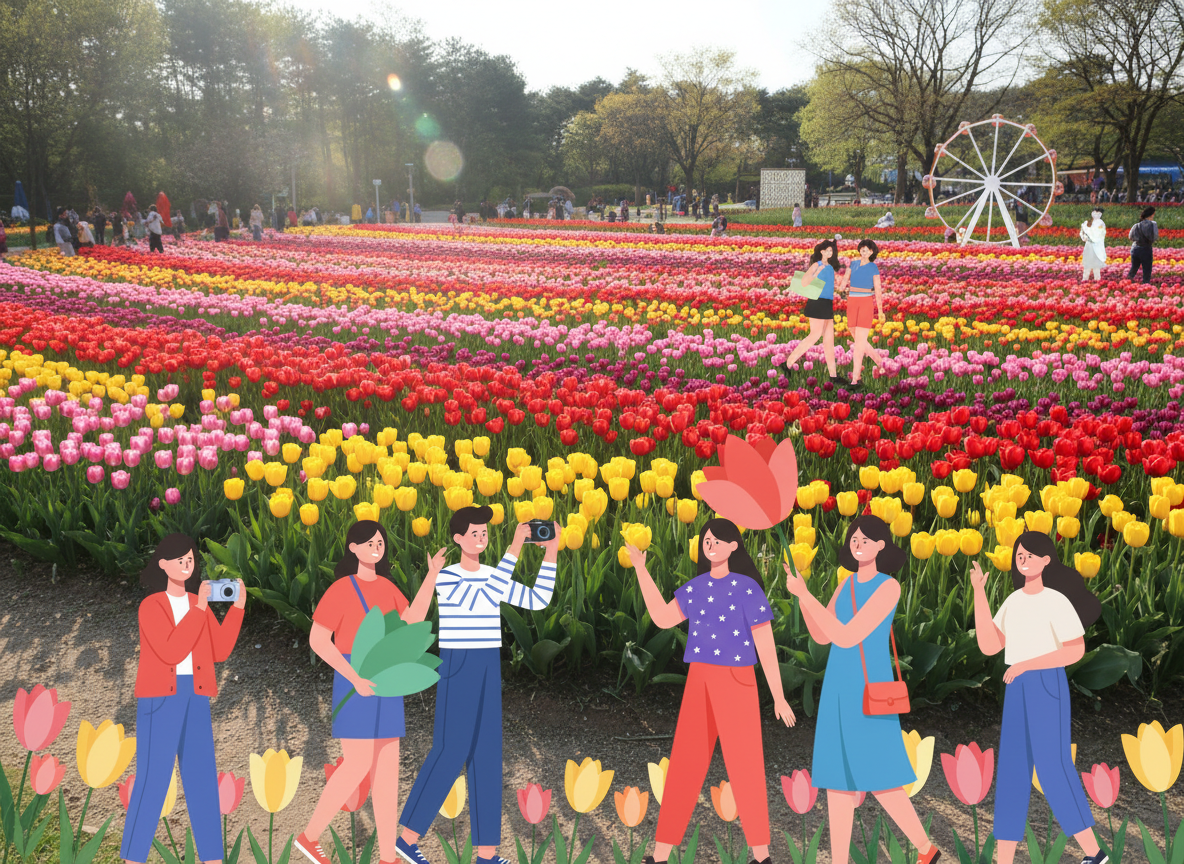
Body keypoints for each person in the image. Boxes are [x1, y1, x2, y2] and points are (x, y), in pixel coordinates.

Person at [395, 507, 559, 864]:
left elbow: (537, 600)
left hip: (488, 662)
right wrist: (514, 548)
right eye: (474, 533)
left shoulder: (491, 573)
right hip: (460, 662)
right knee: (450, 749)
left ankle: (486, 854)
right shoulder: (448, 577)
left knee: (486, 754)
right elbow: (485, 597)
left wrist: (551, 554)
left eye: (484, 532)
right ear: (458, 539)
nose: (481, 538)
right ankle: (406, 839)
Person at [626, 520, 794, 864]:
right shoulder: (696, 587)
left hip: (738, 681)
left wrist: (778, 695)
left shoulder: (748, 589)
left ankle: (761, 857)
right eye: (707, 540)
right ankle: (659, 857)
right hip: (699, 681)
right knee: (684, 767)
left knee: (746, 766)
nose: (710, 545)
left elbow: (765, 643)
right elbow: (660, 617)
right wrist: (641, 569)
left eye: (718, 540)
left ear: (735, 546)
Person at [783, 517, 941, 864]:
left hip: (869, 692)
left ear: (881, 546)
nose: (858, 543)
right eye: (855, 538)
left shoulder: (889, 588)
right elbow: (822, 636)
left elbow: (848, 636)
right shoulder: (846, 585)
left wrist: (807, 595)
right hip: (838, 689)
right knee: (838, 781)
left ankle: (925, 848)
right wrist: (802, 598)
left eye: (866, 539)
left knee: (881, 778)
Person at [295, 522, 445, 864]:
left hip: (386, 680)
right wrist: (353, 677)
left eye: (380, 541)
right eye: (369, 542)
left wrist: (431, 576)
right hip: (354, 678)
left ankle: (387, 858)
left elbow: (410, 624)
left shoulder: (387, 587)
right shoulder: (341, 590)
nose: (377, 547)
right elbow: (318, 640)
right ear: (353, 548)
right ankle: (309, 836)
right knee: (359, 762)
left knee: (387, 773)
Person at [969, 533, 1106, 864]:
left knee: (1053, 767)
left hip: (1046, 684)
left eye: (1030, 554)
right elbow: (989, 645)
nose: (1023, 558)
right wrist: (979, 594)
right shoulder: (1014, 601)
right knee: (1013, 770)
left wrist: (1027, 664)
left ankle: (1094, 854)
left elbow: (1075, 649)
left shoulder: (1055, 601)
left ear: (1046, 560)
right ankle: (1004, 860)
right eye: (1020, 554)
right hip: (1017, 688)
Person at [120, 534, 245, 864]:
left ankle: (213, 859)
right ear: (163, 565)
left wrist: (237, 609)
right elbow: (172, 651)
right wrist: (201, 609)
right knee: (153, 780)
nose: (187, 566)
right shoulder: (151, 606)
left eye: (190, 560)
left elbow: (219, 651)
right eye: (180, 561)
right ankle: (132, 858)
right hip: (161, 698)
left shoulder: (195, 604)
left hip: (196, 696)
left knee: (202, 779)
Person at [779, 237, 849, 387]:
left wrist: (843, 290)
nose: (830, 252)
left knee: (829, 340)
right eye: (828, 250)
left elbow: (831, 285)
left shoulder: (830, 267)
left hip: (827, 304)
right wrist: (816, 274)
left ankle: (833, 376)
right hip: (817, 302)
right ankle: (788, 363)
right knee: (814, 336)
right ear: (822, 251)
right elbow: (804, 282)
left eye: (832, 250)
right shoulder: (816, 265)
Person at [840, 239, 886, 389]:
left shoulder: (873, 268)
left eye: (867, 249)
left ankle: (856, 379)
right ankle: (880, 362)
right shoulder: (852, 264)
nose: (864, 251)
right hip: (852, 302)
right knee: (855, 334)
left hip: (866, 302)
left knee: (859, 343)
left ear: (872, 252)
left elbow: (878, 289)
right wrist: (839, 287)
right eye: (862, 248)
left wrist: (880, 310)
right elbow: (843, 282)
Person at [1128, 206, 1157, 283]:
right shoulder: (1153, 224)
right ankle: (1145, 285)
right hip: (1146, 249)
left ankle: (1126, 282)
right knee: (1147, 270)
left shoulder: (1136, 225)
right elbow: (1154, 237)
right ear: (1152, 214)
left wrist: (1138, 239)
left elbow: (1130, 237)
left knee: (1134, 268)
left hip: (1135, 249)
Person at [1079, 208, 1106, 281]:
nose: (1096, 214)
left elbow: (1102, 233)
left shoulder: (1101, 223)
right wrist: (1084, 237)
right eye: (1095, 212)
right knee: (1087, 263)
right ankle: (1085, 279)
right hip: (1089, 245)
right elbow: (1082, 232)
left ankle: (1097, 279)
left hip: (1097, 245)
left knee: (1096, 264)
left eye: (1098, 213)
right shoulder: (1087, 222)